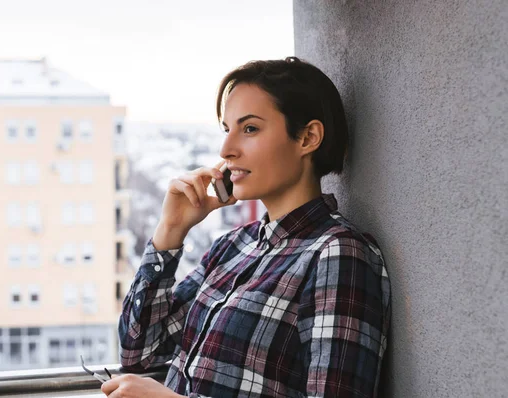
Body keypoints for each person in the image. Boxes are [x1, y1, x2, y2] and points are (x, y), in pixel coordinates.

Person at [101, 57, 391, 398]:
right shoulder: (233, 247)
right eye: (227, 130)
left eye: (249, 129)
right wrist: (170, 231)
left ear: (308, 137)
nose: (226, 150)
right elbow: (140, 354)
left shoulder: (338, 254)